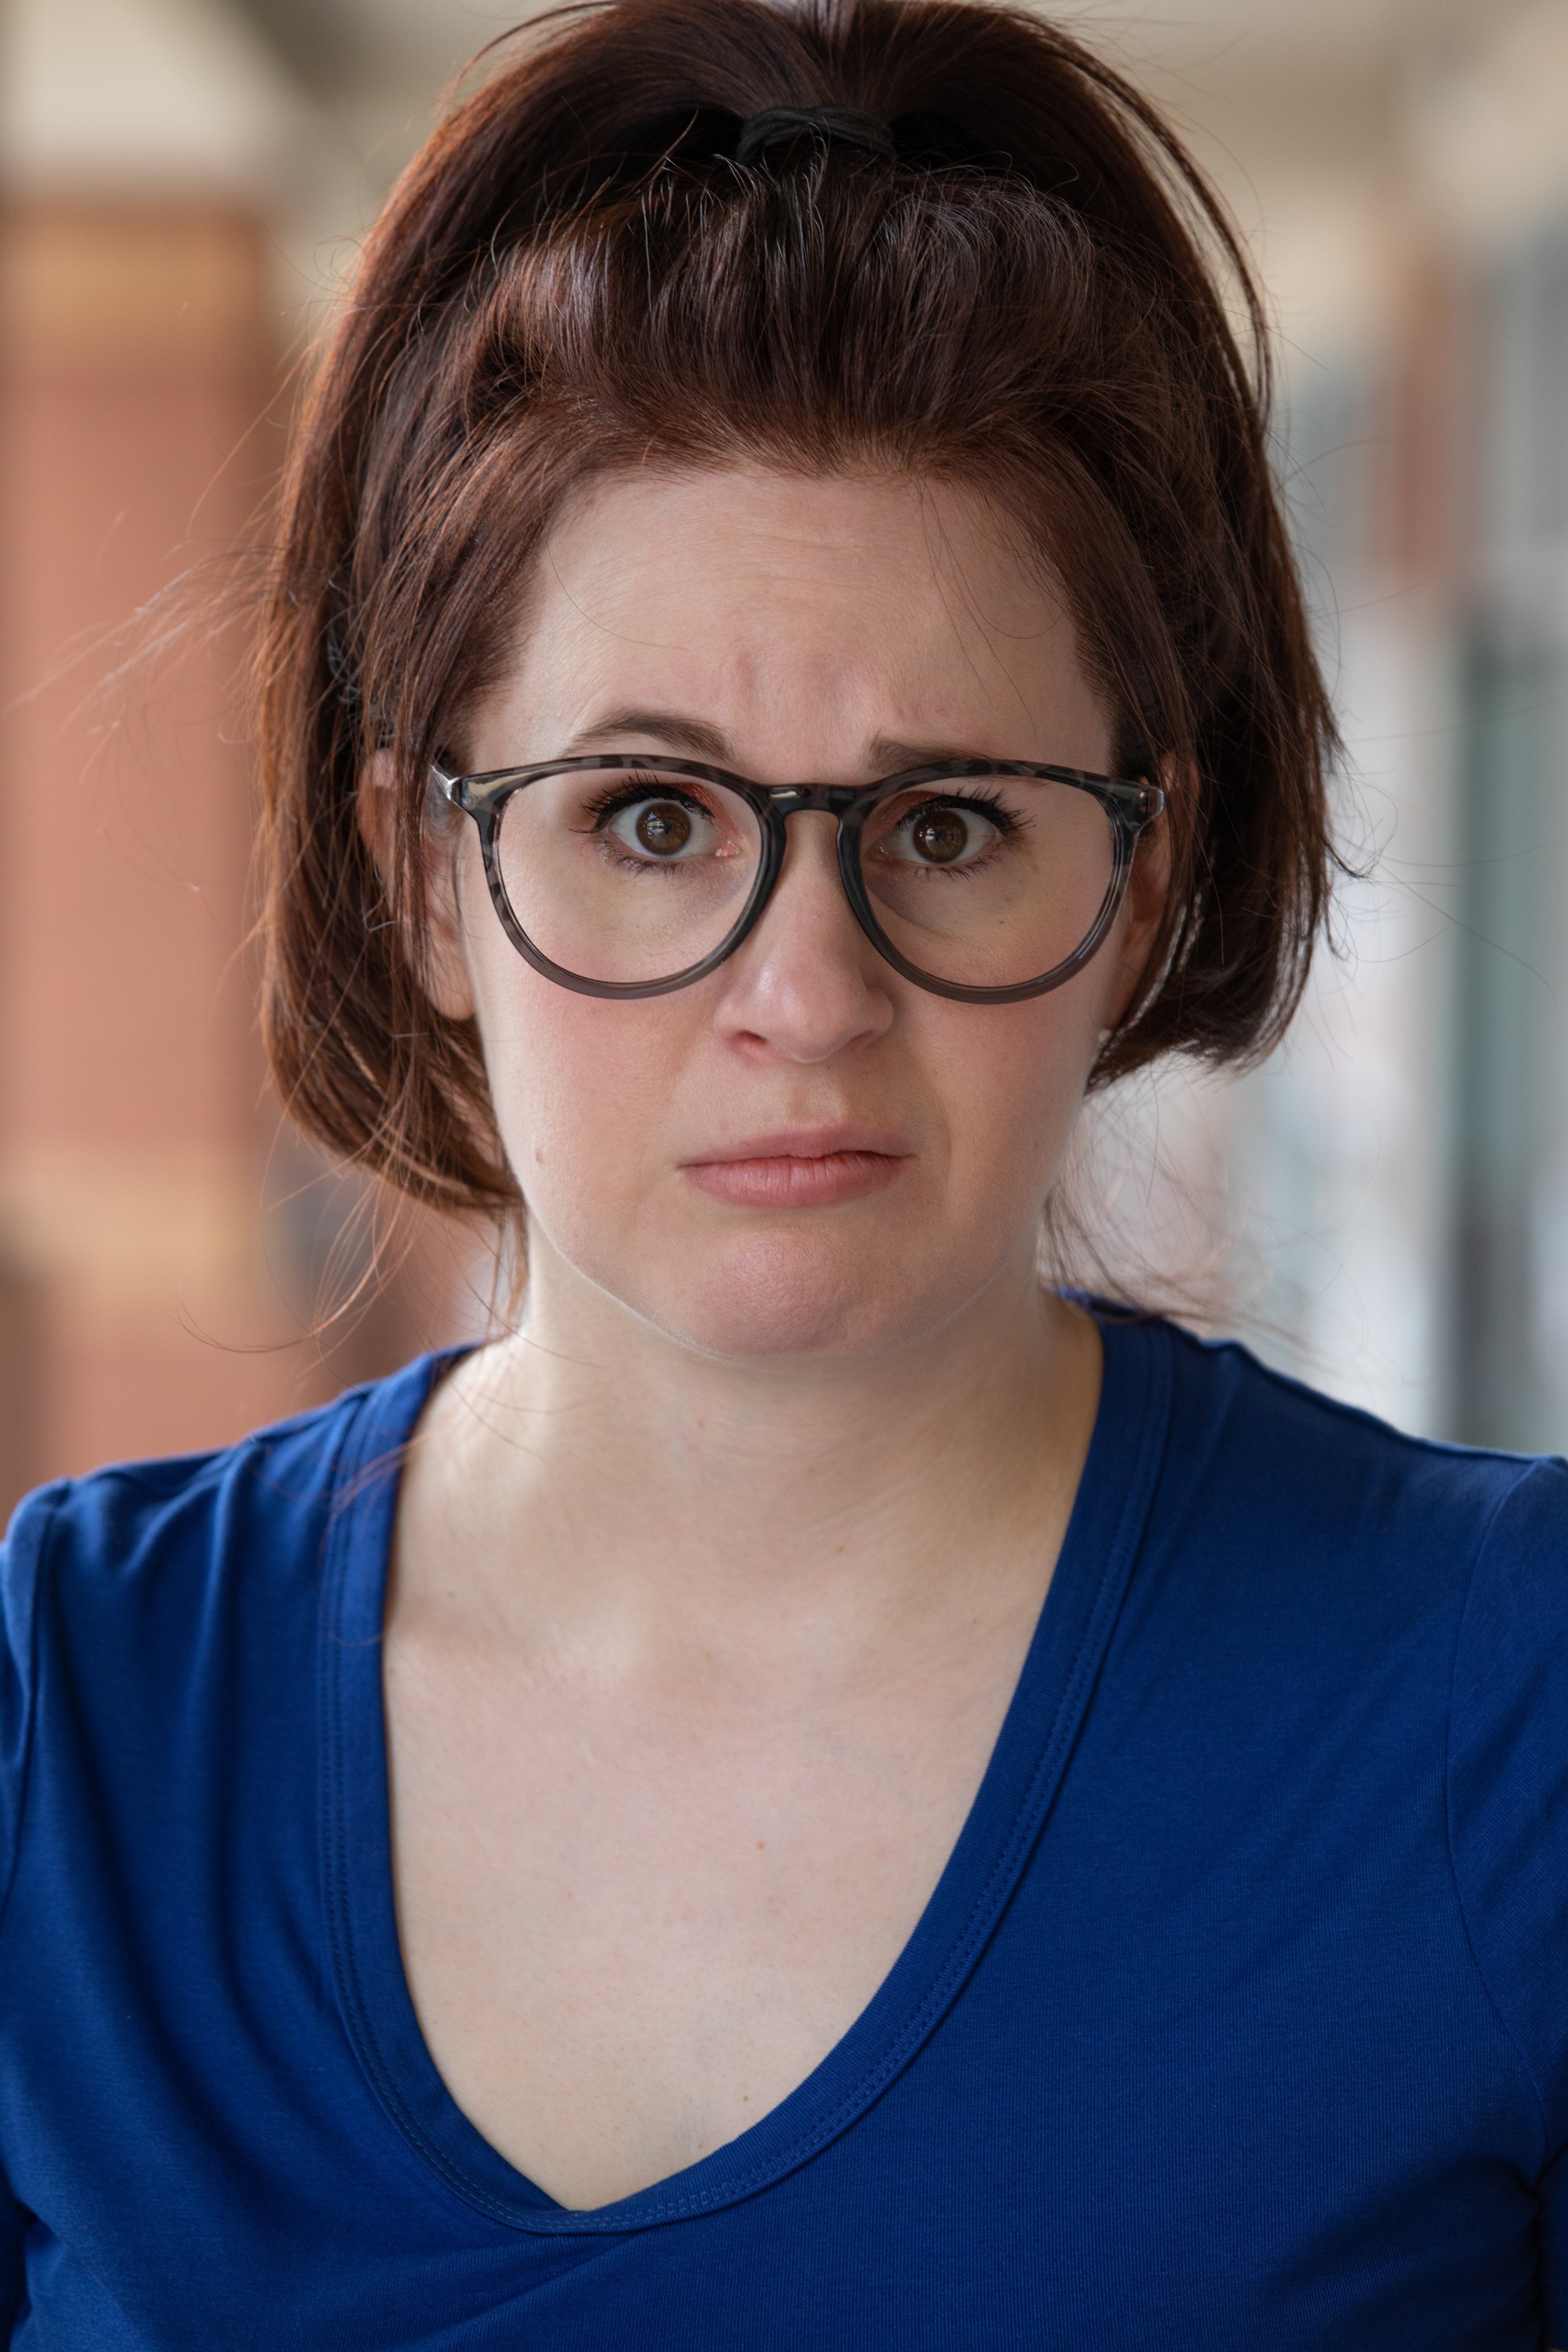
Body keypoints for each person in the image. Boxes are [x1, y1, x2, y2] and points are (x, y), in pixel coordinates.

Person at [0, 0, 1564, 2342]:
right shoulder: (71, 1728)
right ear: (423, 880)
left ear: (1142, 886)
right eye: (650, 818)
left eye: (945, 827)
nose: (803, 995)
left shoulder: (1503, 1708)